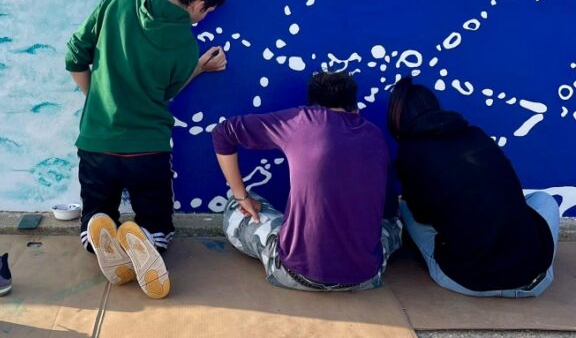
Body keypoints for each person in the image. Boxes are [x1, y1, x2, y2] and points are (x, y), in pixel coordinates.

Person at [65, 0, 228, 299]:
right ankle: (146, 237)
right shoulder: (185, 45)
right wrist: (198, 68)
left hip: (98, 142)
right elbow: (166, 92)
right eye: (207, 11)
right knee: (160, 228)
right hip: (148, 151)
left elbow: (74, 55)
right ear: (198, 5)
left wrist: (97, 100)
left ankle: (100, 235)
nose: (203, 17)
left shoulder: (117, 2)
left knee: (95, 219)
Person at [212, 71, 401, 291]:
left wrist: (241, 196)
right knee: (394, 222)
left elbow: (223, 133)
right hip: (365, 278)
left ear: (313, 106)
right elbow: (388, 209)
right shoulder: (375, 136)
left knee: (235, 207)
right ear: (355, 107)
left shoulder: (302, 121)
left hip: (295, 273)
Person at [387, 77, 559, 297]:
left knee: (405, 206)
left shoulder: (410, 154)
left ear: (397, 118)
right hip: (533, 278)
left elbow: (422, 215)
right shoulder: (476, 135)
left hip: (470, 281)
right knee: (544, 200)